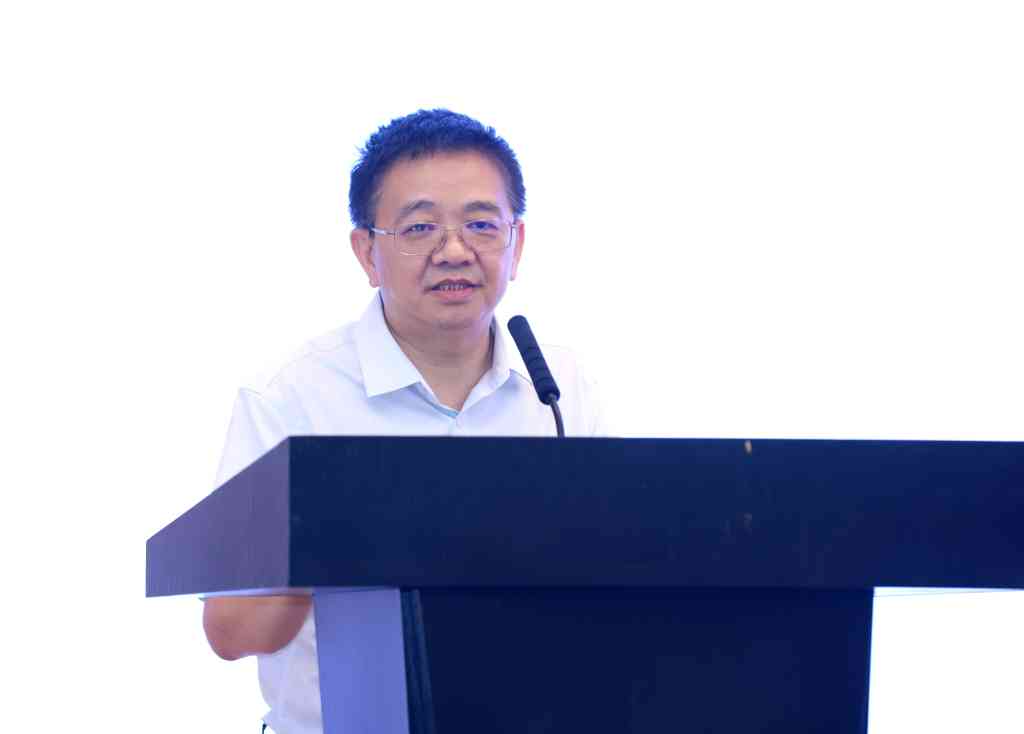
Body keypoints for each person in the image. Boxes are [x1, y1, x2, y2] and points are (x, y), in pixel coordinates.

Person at [201, 109, 605, 733]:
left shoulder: (557, 390)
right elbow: (229, 631)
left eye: (481, 224)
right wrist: (335, 537)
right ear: (367, 251)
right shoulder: (292, 398)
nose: (454, 251)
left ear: (516, 243)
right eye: (419, 227)